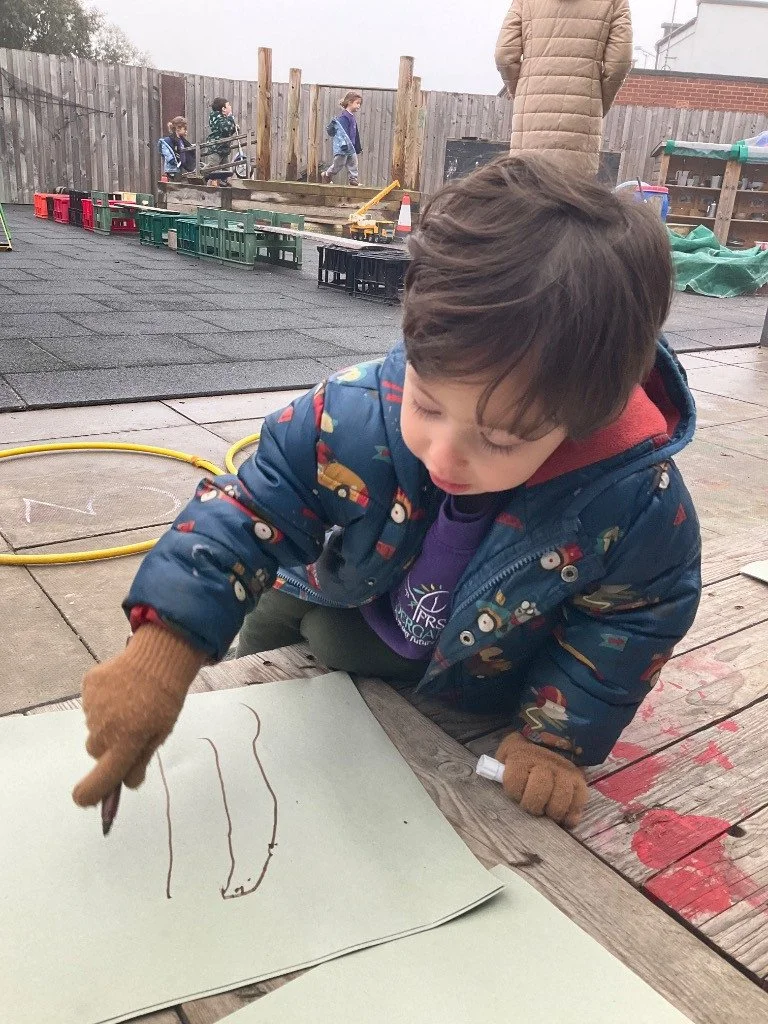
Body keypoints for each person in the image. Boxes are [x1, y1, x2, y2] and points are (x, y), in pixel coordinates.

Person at [71, 156, 701, 829]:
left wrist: (554, 740)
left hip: (461, 671)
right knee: (258, 698)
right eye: (429, 405)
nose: (445, 455)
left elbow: (634, 618)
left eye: (501, 439)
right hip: (318, 592)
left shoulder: (632, 503)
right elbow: (253, 506)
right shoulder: (356, 409)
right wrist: (163, 653)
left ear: (585, 418)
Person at [495, 0, 633, 177]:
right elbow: (619, 64)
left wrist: (524, 95)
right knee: (574, 197)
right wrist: (596, 104)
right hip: (580, 122)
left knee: (526, 194)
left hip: (531, 126)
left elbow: (504, 57)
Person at [321, 91, 363, 185]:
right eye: (357, 103)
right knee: (339, 164)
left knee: (353, 163)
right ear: (350, 102)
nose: (359, 106)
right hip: (343, 147)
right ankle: (327, 174)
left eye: (359, 104)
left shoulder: (352, 117)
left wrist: (357, 147)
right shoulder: (344, 117)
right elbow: (342, 134)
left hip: (350, 147)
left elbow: (355, 134)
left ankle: (353, 179)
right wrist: (344, 145)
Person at [204, 97, 237, 186]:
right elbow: (225, 129)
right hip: (216, 148)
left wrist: (234, 127)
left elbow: (229, 131)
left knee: (225, 168)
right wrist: (230, 118)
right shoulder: (217, 117)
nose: (230, 107)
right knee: (212, 166)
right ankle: (201, 175)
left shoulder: (224, 118)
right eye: (228, 105)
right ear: (223, 109)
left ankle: (224, 182)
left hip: (223, 148)